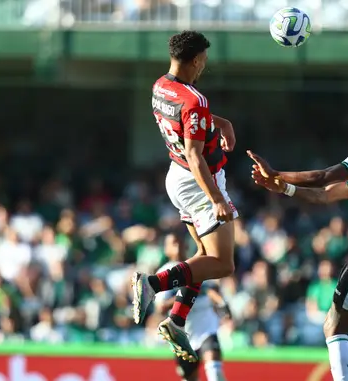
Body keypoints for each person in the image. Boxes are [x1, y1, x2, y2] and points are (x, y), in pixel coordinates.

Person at [248, 104, 348, 381]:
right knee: (341, 325)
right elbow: (323, 195)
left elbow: (322, 177)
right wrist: (283, 188)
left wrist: (276, 174)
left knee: (333, 325)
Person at [132, 30, 239, 362]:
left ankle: (177, 320)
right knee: (222, 264)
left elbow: (187, 122)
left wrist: (223, 123)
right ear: (196, 59)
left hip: (176, 176)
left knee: (201, 260)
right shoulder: (195, 99)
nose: (205, 64)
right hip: (199, 179)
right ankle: (152, 283)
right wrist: (218, 198)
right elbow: (195, 154)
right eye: (204, 58)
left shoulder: (160, 87)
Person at [154, 232, 230, 381]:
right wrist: (184, 294)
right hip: (183, 334)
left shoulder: (197, 265)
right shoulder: (165, 274)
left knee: (214, 371)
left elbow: (210, 290)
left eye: (180, 242)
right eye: (173, 243)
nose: (178, 246)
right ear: (166, 250)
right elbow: (160, 307)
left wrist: (222, 304)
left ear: (187, 246)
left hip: (206, 326)